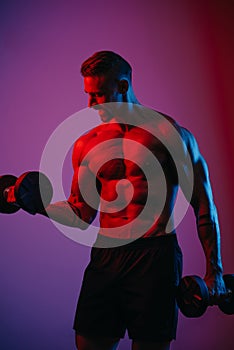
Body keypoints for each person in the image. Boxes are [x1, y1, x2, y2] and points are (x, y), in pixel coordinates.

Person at [39, 51, 227, 350]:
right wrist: (39, 204)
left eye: (99, 94)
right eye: (88, 94)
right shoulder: (88, 144)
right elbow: (81, 213)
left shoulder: (170, 135)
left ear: (123, 87)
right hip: (107, 256)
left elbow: (204, 204)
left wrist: (214, 270)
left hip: (155, 257)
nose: (90, 104)